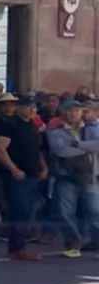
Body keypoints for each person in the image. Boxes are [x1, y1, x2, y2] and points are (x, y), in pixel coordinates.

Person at [0, 92, 47, 260]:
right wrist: (13, 169)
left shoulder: (33, 126)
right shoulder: (10, 126)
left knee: (27, 211)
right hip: (17, 176)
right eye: (28, 106)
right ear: (19, 108)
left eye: (34, 107)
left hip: (32, 174)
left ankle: (19, 246)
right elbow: (0, 149)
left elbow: (37, 149)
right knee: (19, 211)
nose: (32, 109)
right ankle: (17, 248)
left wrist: (43, 166)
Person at [46, 97, 99, 255]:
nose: (74, 114)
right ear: (63, 112)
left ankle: (97, 240)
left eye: (77, 110)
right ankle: (72, 243)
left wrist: (78, 145)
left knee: (94, 210)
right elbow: (62, 151)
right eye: (70, 110)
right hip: (66, 176)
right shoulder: (56, 130)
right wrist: (88, 147)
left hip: (89, 175)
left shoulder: (90, 128)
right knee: (65, 212)